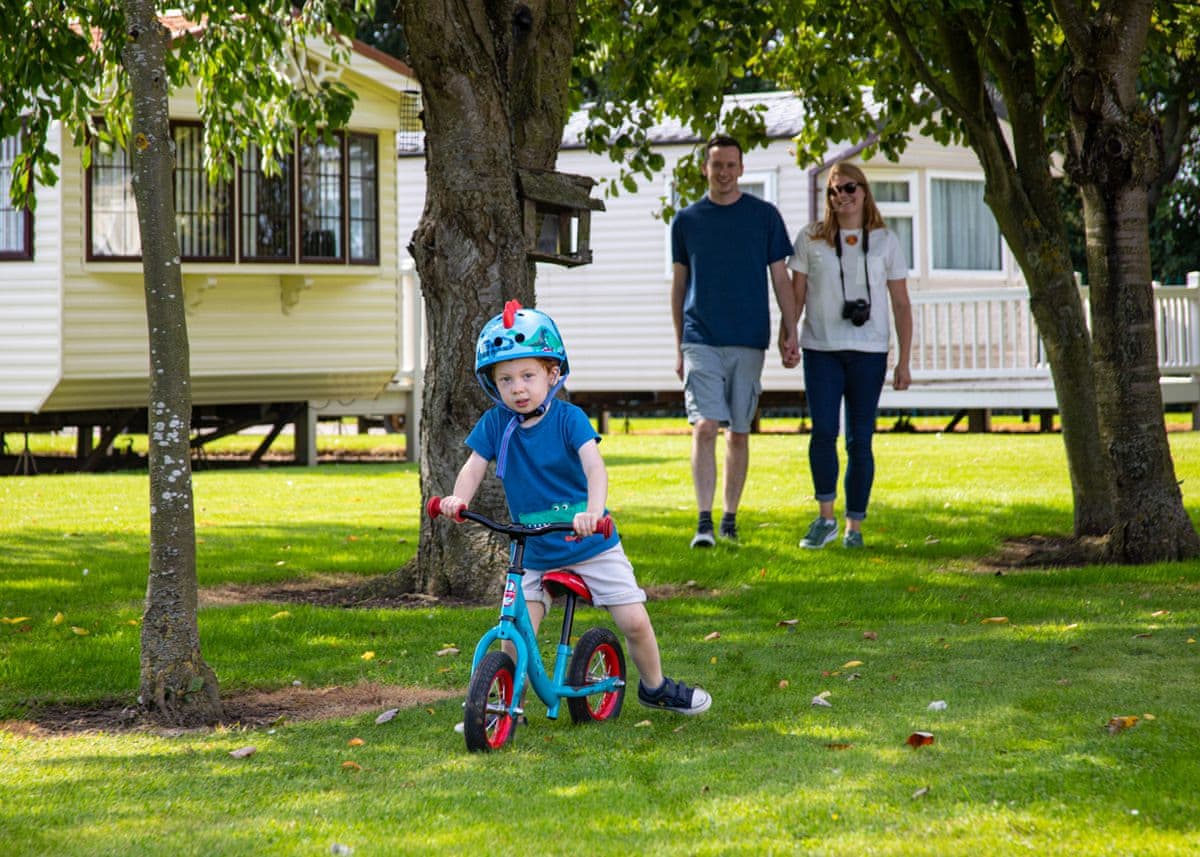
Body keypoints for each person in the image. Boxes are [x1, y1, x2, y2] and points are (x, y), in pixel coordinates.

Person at [438, 301, 711, 716]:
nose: (518, 388)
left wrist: (593, 513)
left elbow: (594, 467)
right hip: (534, 550)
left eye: (528, 375)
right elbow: (474, 466)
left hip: (589, 542)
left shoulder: (569, 419)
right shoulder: (495, 423)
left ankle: (655, 687)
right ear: (493, 383)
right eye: (506, 379)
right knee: (515, 633)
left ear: (552, 374)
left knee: (633, 621)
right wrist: (458, 499)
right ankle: (504, 707)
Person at [671, 134, 799, 549]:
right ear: (705, 169)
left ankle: (729, 519)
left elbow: (781, 278)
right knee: (705, 426)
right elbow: (679, 286)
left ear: (741, 169)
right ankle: (703, 523)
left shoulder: (764, 217)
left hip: (748, 337)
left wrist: (791, 329)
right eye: (716, 165)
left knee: (738, 432)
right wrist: (678, 345)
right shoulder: (686, 220)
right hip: (700, 337)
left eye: (730, 165)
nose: (723, 172)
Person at [788, 163, 913, 549]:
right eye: (833, 190)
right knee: (823, 432)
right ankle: (825, 518)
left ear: (864, 191)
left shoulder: (885, 240)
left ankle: (854, 527)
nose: (841, 196)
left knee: (860, 440)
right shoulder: (811, 238)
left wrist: (904, 360)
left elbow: (901, 303)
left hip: (869, 352)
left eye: (849, 188)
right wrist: (787, 335)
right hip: (821, 349)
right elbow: (796, 295)